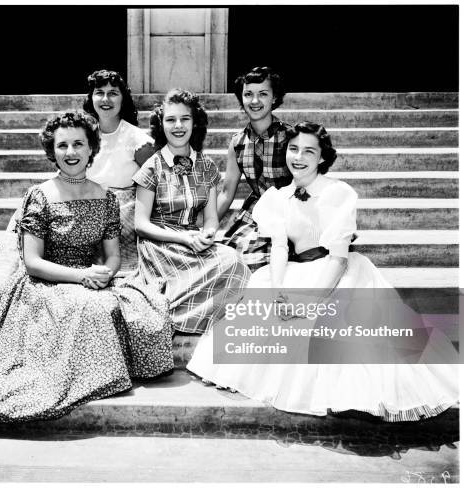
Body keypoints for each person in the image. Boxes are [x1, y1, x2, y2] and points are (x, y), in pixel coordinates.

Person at [0, 112, 174, 422]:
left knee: (145, 306)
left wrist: (106, 272)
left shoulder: (106, 197)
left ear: (91, 149)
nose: (70, 153)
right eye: (62, 146)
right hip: (45, 283)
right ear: (52, 151)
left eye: (78, 144)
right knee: (86, 307)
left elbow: (112, 255)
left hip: (89, 278)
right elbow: (32, 263)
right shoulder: (40, 196)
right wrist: (82, 276)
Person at [188, 122, 458, 421]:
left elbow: (338, 259)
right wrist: (278, 290)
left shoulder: (338, 193)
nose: (299, 157)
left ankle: (356, 396)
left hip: (335, 273)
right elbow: (279, 247)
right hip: (291, 269)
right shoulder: (275, 198)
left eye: (308, 151)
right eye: (293, 149)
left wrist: (311, 299)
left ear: (321, 157)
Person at [0, 69, 155, 288]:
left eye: (113, 93)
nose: (105, 99)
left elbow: (153, 183)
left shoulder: (138, 139)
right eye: (99, 92)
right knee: (26, 210)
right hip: (76, 192)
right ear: (91, 98)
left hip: (118, 205)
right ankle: (2, 280)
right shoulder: (82, 132)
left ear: (123, 98)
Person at [130, 88, 251, 335]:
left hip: (194, 242)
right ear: (161, 124)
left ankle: (189, 315)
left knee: (234, 261)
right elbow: (141, 225)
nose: (178, 126)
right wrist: (183, 237)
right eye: (171, 119)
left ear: (194, 123)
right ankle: (167, 312)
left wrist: (206, 235)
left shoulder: (206, 167)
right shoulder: (152, 166)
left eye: (185, 119)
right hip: (160, 245)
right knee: (169, 286)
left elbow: (211, 219)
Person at [218, 67, 293, 271]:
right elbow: (226, 193)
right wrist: (208, 226)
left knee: (267, 261)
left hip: (289, 210)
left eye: (263, 94)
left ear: (274, 97)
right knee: (229, 260)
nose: (255, 101)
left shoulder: (290, 137)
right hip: (255, 212)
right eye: (248, 94)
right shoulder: (237, 142)